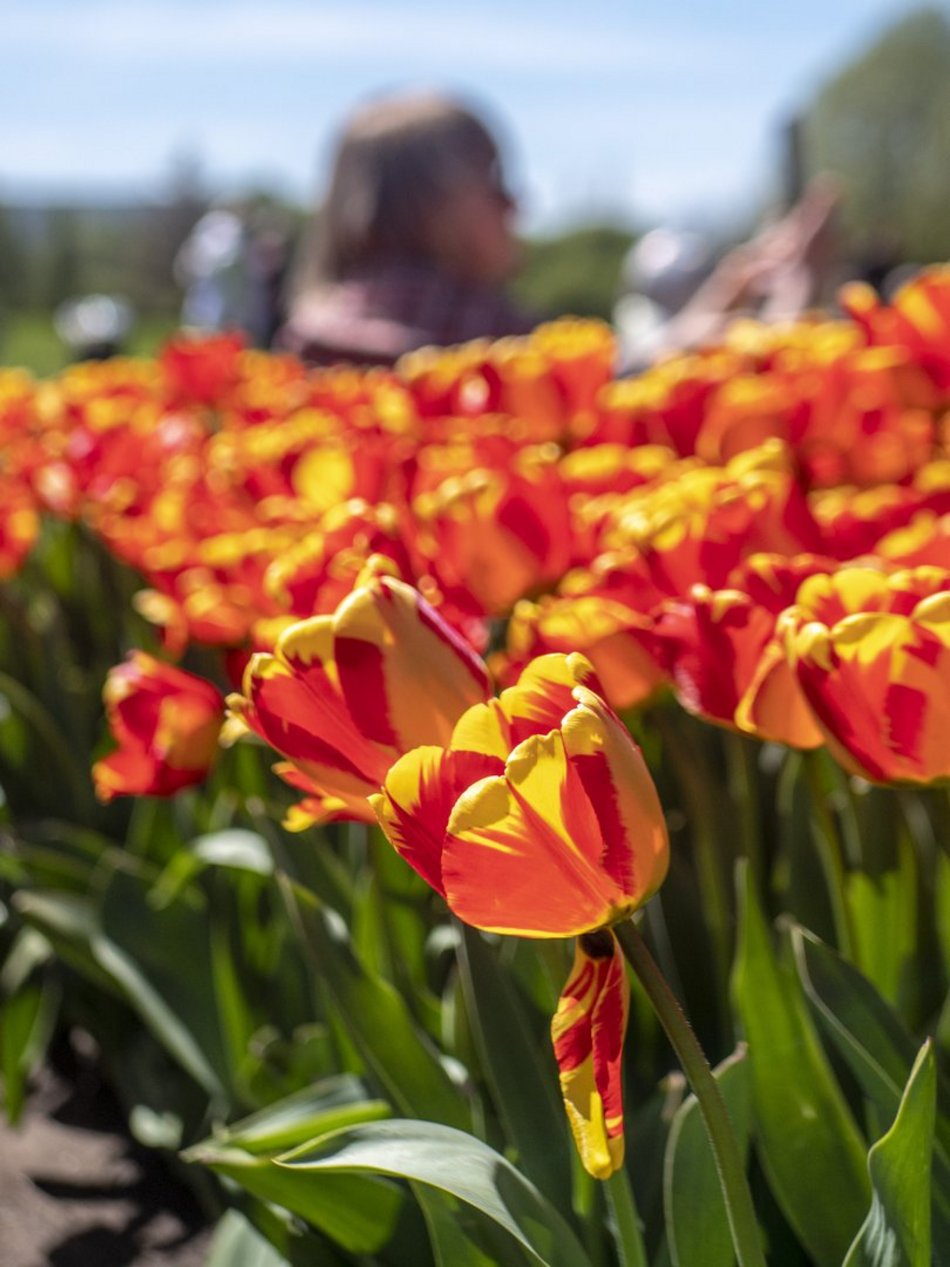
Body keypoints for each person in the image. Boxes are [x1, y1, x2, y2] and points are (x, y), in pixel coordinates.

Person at [279, 92, 535, 366]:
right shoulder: (508, 345)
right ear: (434, 201)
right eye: (494, 178)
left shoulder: (304, 338)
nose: (514, 203)